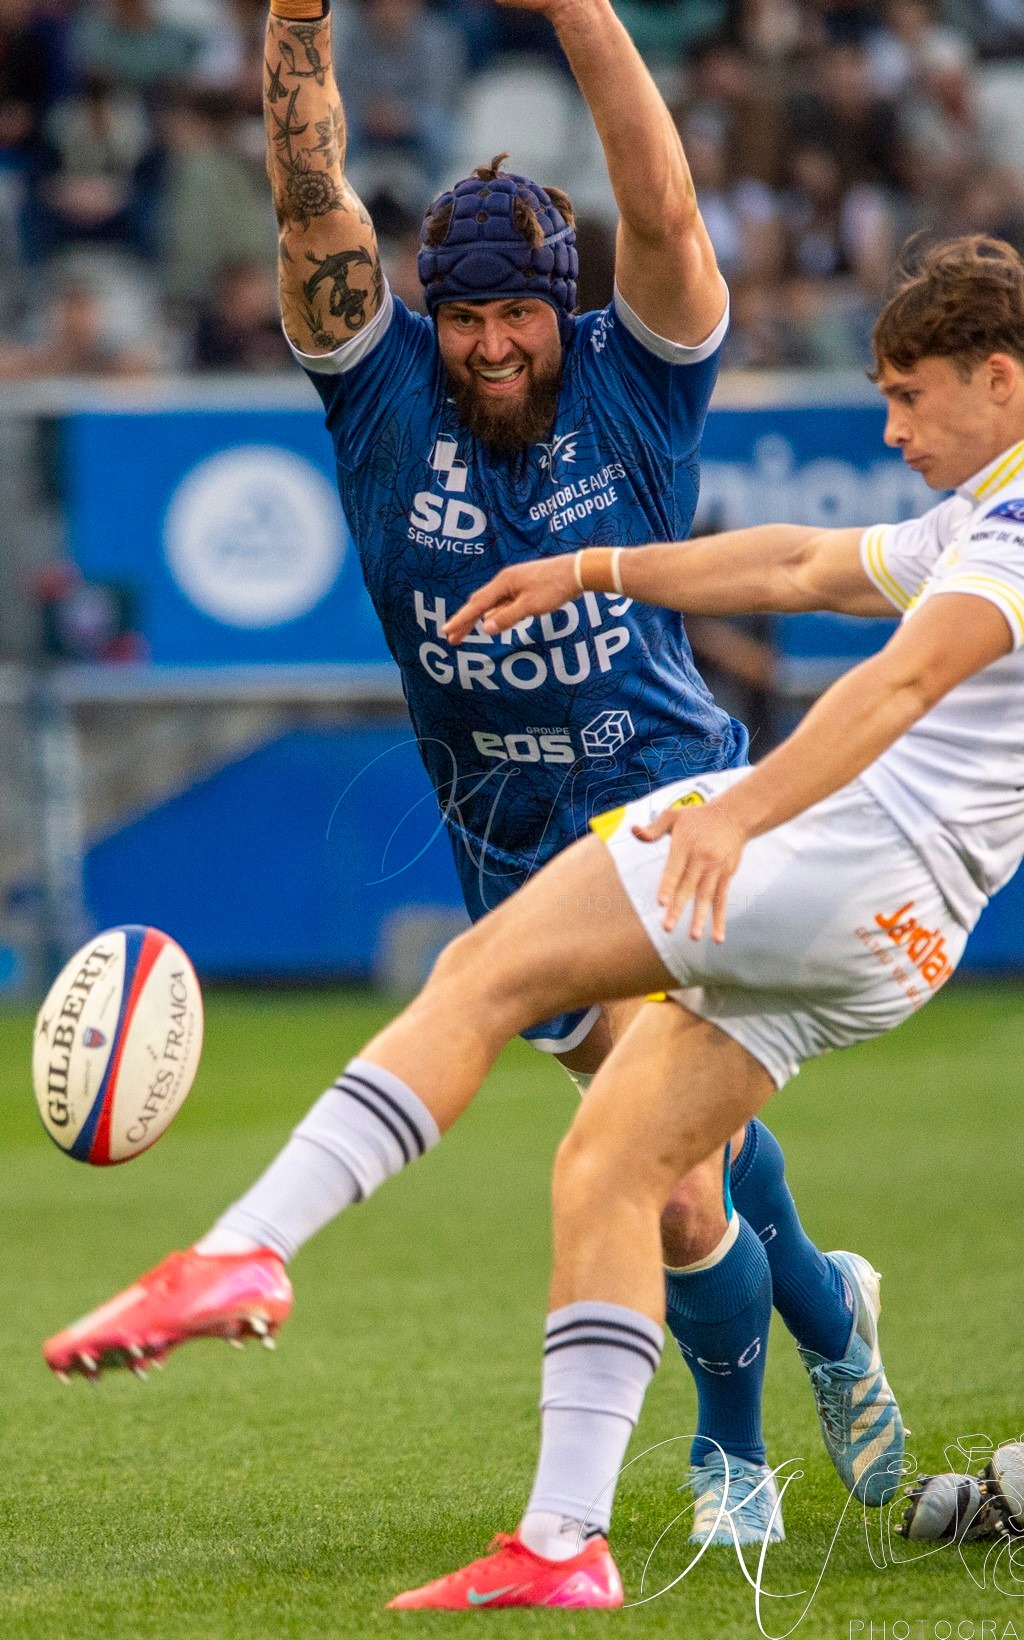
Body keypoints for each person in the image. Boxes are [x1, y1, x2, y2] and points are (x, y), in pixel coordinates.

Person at [41, 0, 907, 1547]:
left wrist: (574, 9)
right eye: (466, 317)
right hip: (504, 850)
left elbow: (663, 203)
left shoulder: (631, 383)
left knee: (660, 1168)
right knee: (690, 1165)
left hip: (669, 805)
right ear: (429, 313)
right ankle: (833, 1310)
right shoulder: (383, 401)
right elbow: (314, 193)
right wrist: (297, 20)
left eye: (520, 317)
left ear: (560, 309)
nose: (495, 345)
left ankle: (734, 1450)